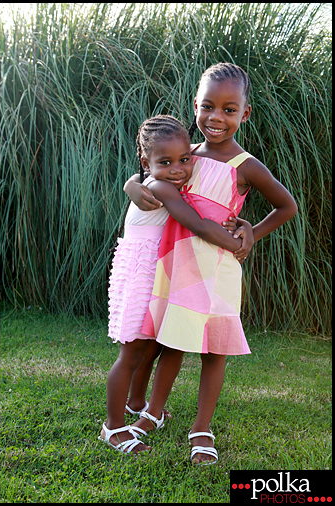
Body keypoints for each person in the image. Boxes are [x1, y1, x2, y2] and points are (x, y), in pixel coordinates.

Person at [126, 62, 298, 465]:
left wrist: (253, 229)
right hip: (178, 263)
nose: (216, 118)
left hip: (218, 268)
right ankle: (152, 411)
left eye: (229, 109)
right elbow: (153, 173)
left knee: (213, 351)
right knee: (173, 340)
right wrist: (131, 184)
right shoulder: (186, 153)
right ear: (196, 106)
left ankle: (201, 427)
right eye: (208, 107)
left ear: (244, 113)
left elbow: (287, 206)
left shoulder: (246, 165)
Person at [98, 114, 254, 455]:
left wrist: (247, 225)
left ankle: (139, 404)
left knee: (152, 345)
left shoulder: (164, 180)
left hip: (160, 271)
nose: (179, 169)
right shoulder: (164, 187)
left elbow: (152, 179)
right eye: (166, 162)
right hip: (142, 274)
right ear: (146, 162)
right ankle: (112, 428)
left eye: (185, 160)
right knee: (132, 352)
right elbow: (197, 224)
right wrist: (238, 244)